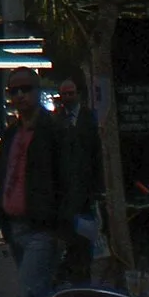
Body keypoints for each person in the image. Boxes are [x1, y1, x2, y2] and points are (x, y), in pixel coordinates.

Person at [0, 67, 74, 297]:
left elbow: (67, 179)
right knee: (39, 296)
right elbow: (1, 177)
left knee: (29, 296)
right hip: (15, 228)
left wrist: (63, 227)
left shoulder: (54, 130)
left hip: (43, 229)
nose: (20, 95)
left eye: (26, 89)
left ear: (38, 91)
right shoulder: (12, 133)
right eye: (14, 91)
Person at [55, 75, 102, 279]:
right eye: (64, 94)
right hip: (65, 191)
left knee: (86, 238)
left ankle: (84, 273)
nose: (67, 97)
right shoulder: (56, 120)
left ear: (78, 94)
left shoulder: (90, 118)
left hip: (86, 189)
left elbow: (97, 154)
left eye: (70, 93)